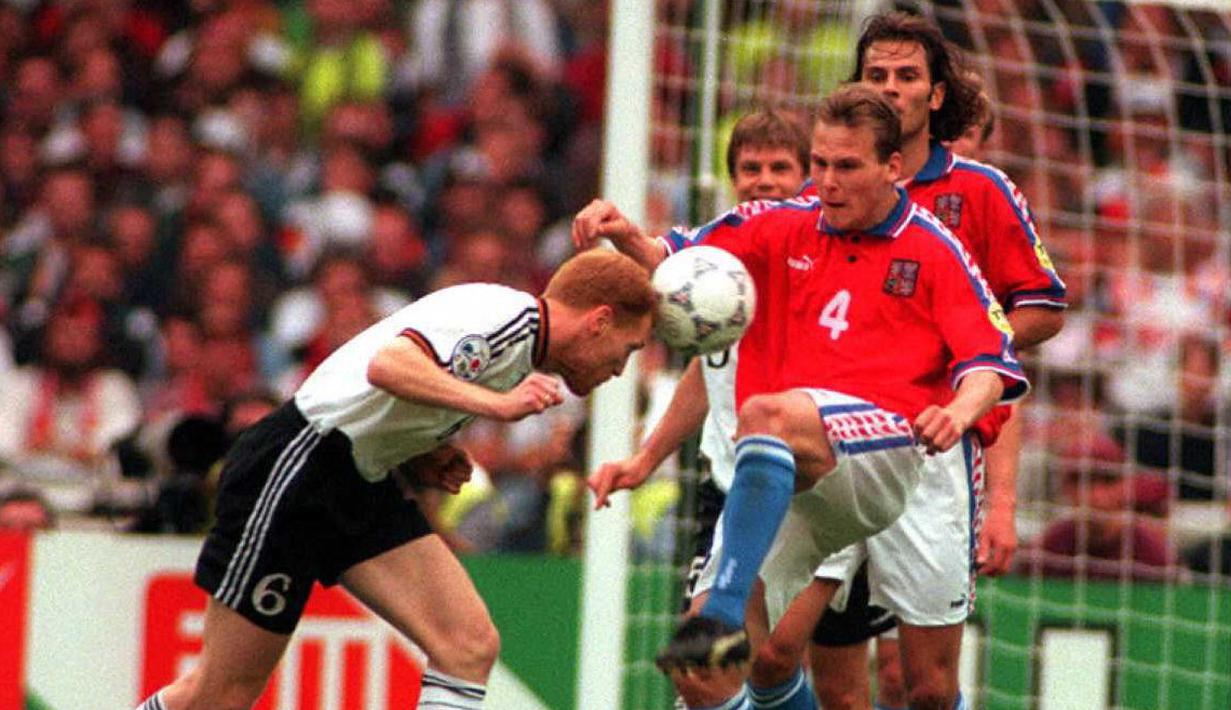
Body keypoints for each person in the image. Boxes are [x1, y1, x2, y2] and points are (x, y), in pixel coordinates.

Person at [573, 84, 1028, 710]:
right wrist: (624, 231)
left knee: (927, 689)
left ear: (892, 167)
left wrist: (958, 410)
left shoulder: (933, 249)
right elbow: (670, 257)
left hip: (897, 457)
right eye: (819, 164)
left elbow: (992, 360)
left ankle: (729, 607)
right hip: (794, 463)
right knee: (700, 669)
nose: (827, 182)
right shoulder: (778, 227)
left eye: (846, 167)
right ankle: (724, 612)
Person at [133, 249, 656, 710]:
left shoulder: (523, 349)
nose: (618, 368)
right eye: (627, 349)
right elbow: (389, 365)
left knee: (467, 645)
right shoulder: (506, 318)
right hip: (295, 467)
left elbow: (387, 397)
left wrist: (425, 453)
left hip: (359, 477)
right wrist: (494, 405)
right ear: (599, 321)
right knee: (218, 697)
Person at [786, 14, 1067, 710]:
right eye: (876, 75)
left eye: (906, 76)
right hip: (836, 449)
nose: (889, 89)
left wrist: (948, 342)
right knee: (806, 666)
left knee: (915, 683)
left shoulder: (978, 192)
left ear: (935, 94)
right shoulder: (825, 189)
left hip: (932, 451)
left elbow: (1041, 308)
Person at [587, 105, 810, 603]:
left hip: (809, 490)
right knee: (704, 664)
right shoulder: (716, 262)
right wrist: (644, 460)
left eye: (780, 169)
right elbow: (709, 371)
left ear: (805, 177)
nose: (765, 182)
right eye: (751, 170)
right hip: (728, 484)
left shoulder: (825, 255)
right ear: (733, 180)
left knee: (785, 661)